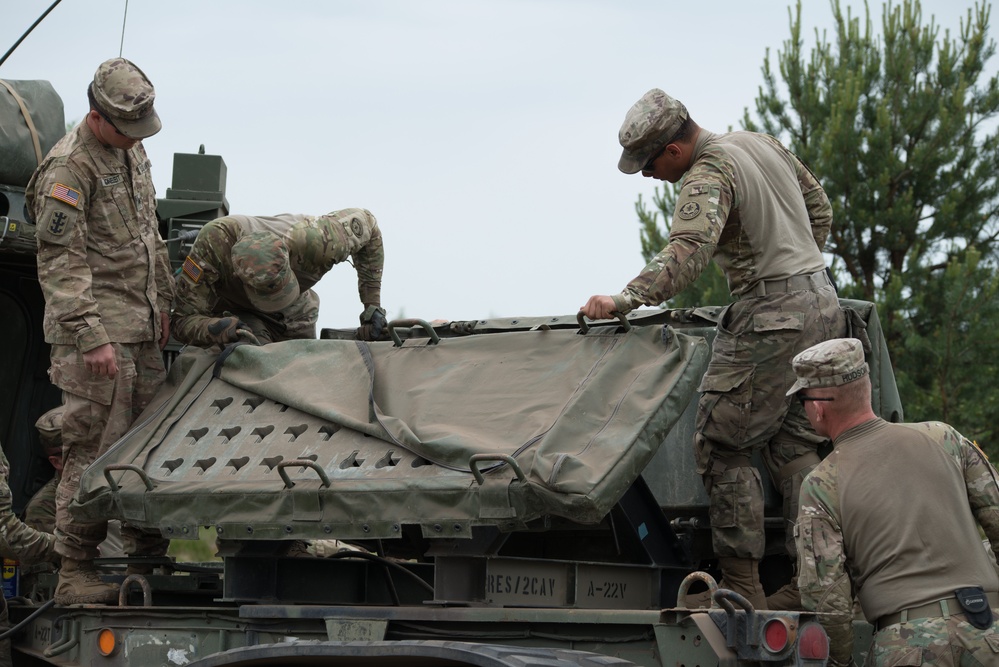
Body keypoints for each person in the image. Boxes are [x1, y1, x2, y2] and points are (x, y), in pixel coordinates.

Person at [579, 88, 846, 609]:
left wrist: (626, 298)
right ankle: (816, 580)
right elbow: (820, 210)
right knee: (794, 448)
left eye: (649, 165)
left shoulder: (706, 172)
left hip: (770, 317)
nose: (649, 175)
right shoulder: (759, 142)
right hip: (822, 304)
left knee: (721, 443)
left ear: (674, 150)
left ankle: (744, 589)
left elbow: (689, 250)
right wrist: (793, 263)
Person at [25, 57, 174, 605]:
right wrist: (91, 335)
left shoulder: (132, 150)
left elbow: (148, 236)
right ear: (97, 116)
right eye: (126, 128)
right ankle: (75, 572)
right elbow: (59, 262)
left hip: (139, 326)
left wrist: (164, 303)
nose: (136, 138)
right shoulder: (69, 168)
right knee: (92, 451)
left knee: (149, 447)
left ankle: (144, 556)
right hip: (96, 337)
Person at [791, 338, 999, 667]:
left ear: (817, 407)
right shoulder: (943, 437)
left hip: (906, 647)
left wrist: (841, 661)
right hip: (987, 632)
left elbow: (827, 598)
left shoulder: (822, 484)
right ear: (867, 386)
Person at [170, 211, 386, 347]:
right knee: (250, 366)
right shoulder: (211, 250)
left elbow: (370, 227)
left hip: (297, 313)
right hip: (238, 316)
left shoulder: (316, 241)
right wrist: (217, 328)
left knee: (303, 375)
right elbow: (181, 321)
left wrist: (372, 305)